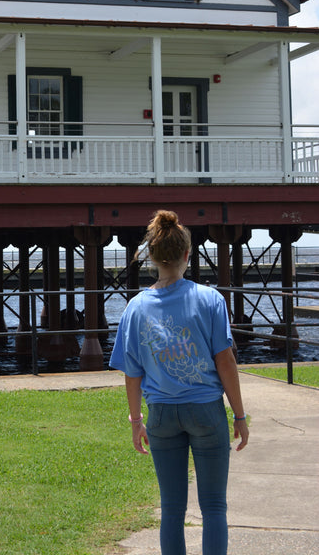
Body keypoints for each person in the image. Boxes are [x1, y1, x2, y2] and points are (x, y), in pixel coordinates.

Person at [109, 209, 249, 555]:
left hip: (160, 414)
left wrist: (136, 420)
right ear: (188, 255)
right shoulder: (210, 299)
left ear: (152, 258)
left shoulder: (136, 308)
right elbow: (226, 361)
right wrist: (240, 415)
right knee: (214, 506)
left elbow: (132, 371)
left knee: (171, 509)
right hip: (205, 411)